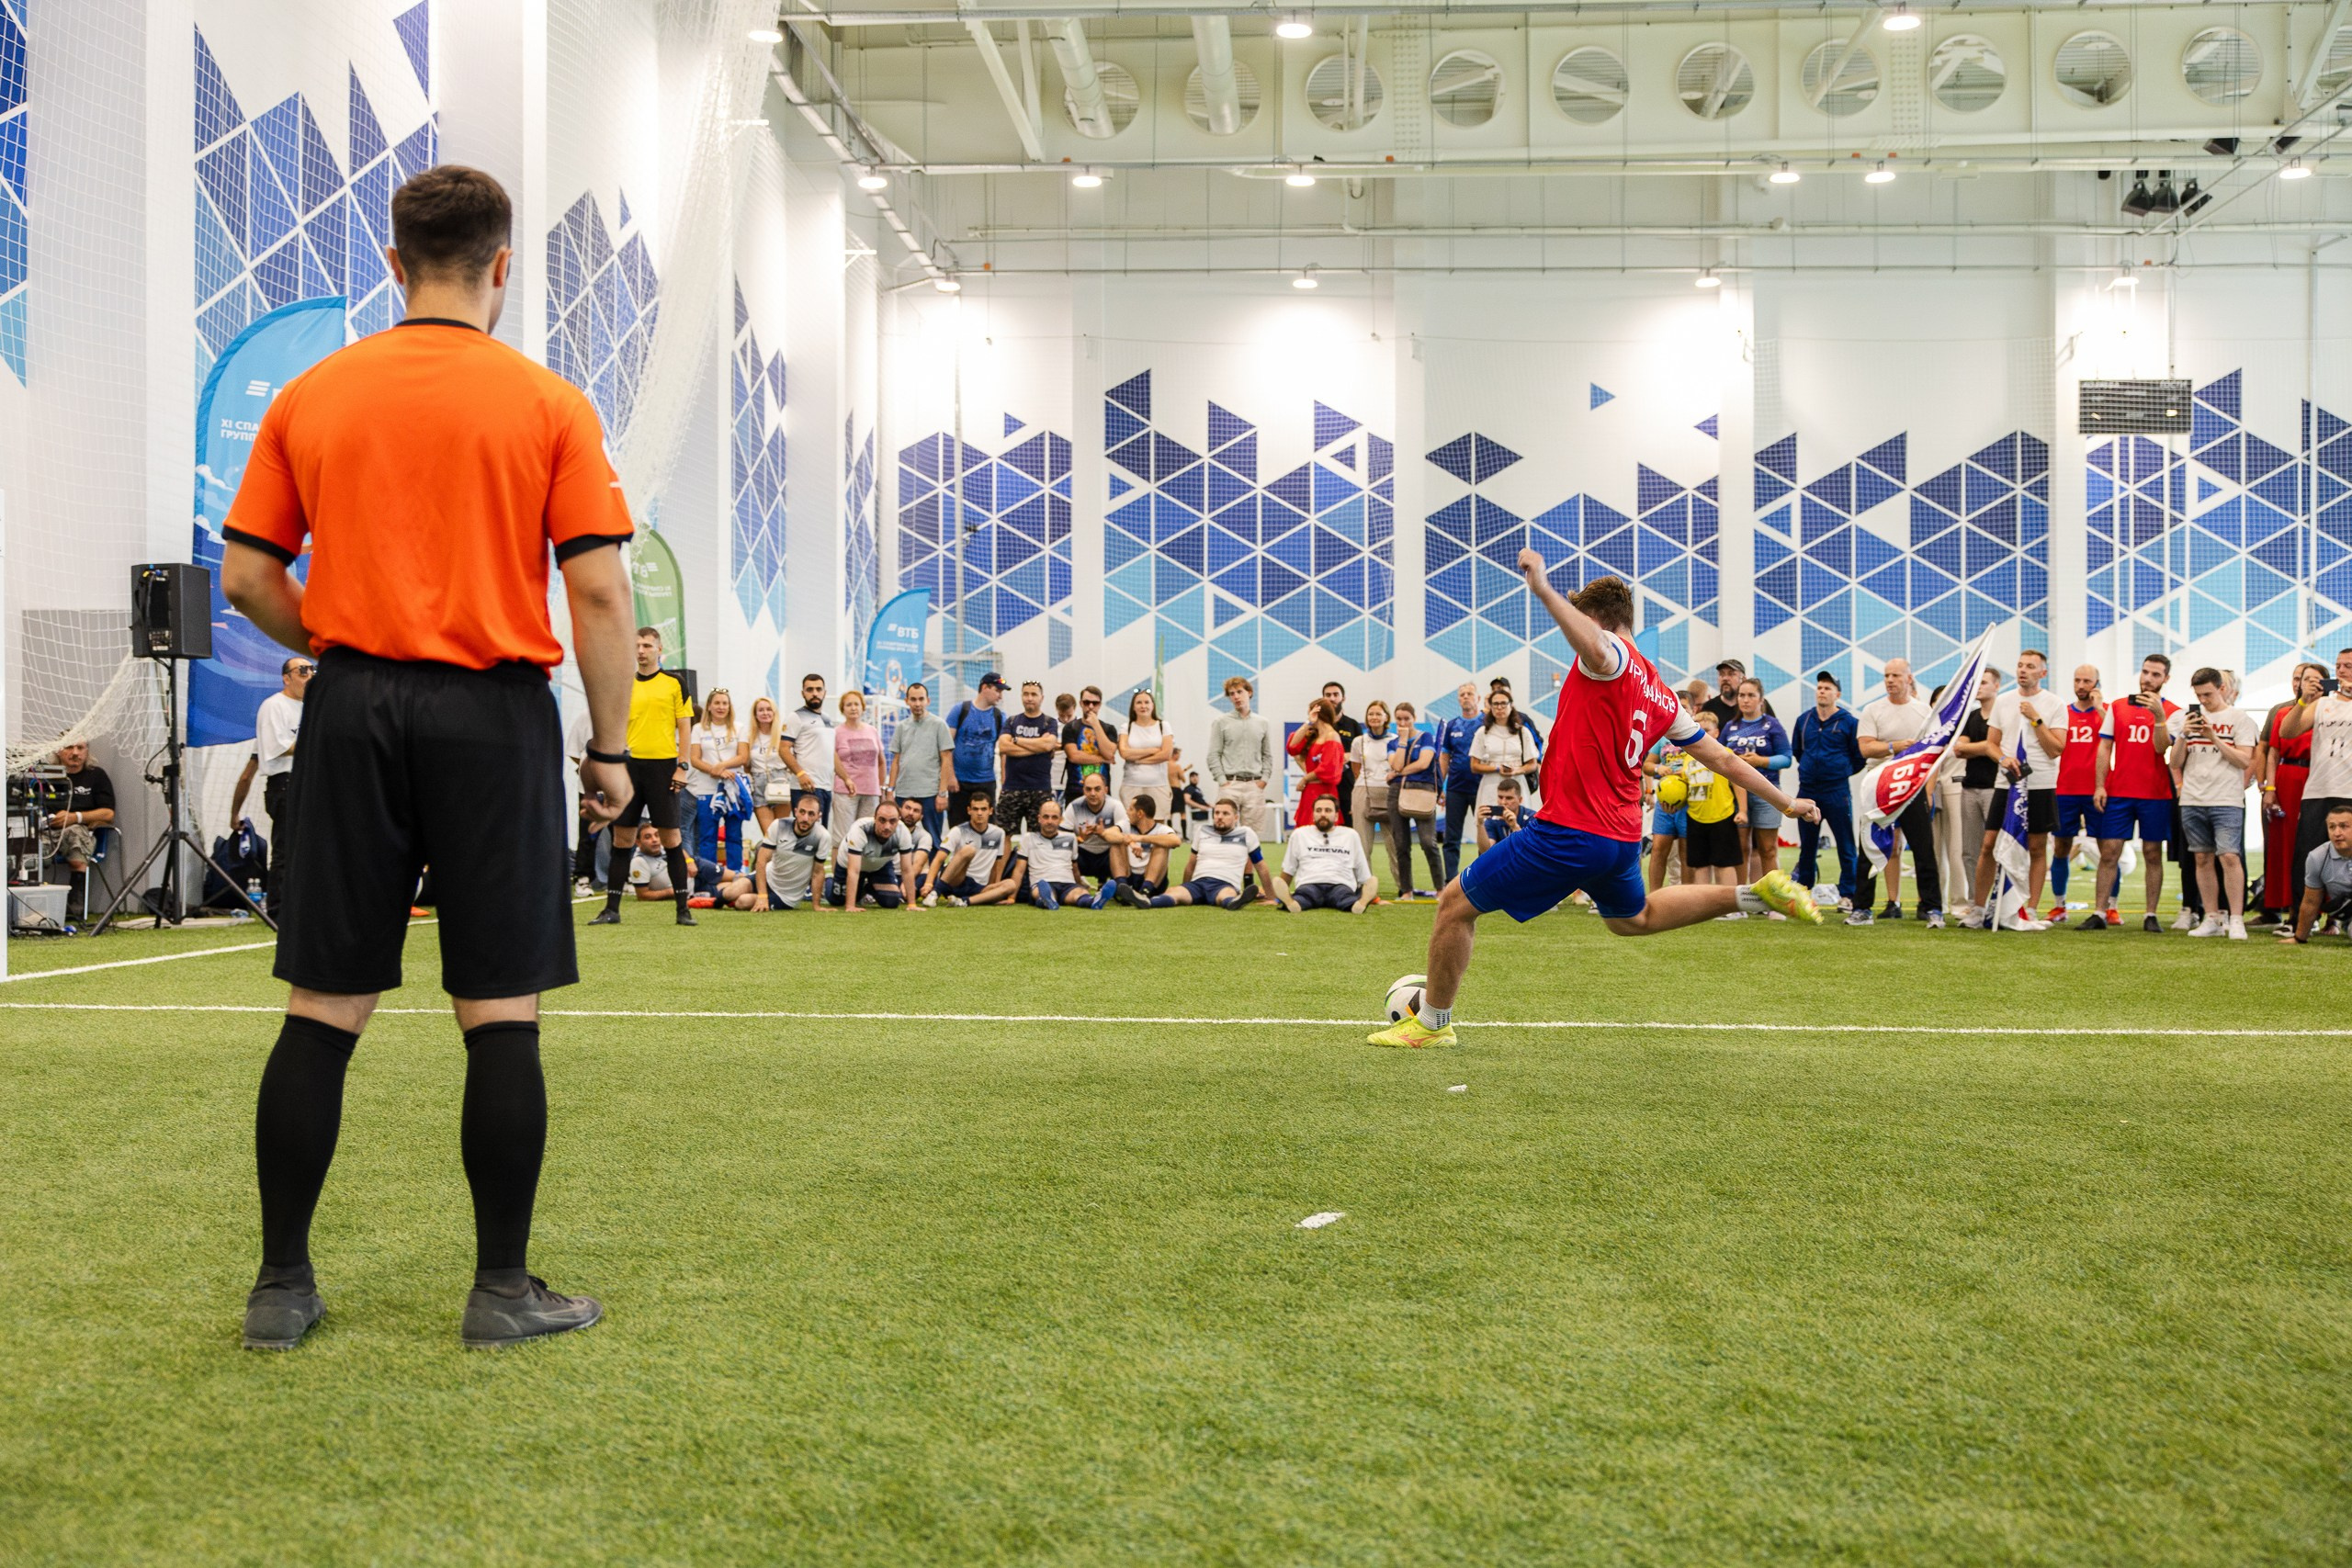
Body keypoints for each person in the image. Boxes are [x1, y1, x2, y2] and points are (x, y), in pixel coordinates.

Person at [218, 164, 636, 1349]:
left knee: (322, 1007)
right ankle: (501, 1290)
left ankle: (280, 1288)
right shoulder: (549, 403)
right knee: (499, 1010)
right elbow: (599, 591)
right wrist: (609, 752)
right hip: (494, 715)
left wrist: (345, 650)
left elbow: (249, 575)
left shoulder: (313, 393)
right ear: (504, 266)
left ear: (393, 265)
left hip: (350, 711)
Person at [1368, 561, 1822, 1051]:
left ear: (1600, 620)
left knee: (1453, 904)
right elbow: (1723, 758)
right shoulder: (1663, 694)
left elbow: (1596, 646)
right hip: (1621, 837)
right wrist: (1786, 800)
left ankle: (1432, 1023)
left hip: (1571, 831)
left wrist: (1542, 589)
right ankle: (1756, 894)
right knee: (1633, 919)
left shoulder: (1614, 659)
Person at [595, 626, 694, 927]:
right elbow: (612, 725)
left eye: (647, 645)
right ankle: (611, 909)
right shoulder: (623, 682)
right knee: (622, 838)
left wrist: (683, 765)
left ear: (659, 649)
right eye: (637, 645)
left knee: (672, 838)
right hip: (629, 768)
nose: (641, 650)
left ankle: (682, 910)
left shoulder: (675, 682)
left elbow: (685, 725)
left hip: (664, 768)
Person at [2083, 653, 2179, 932]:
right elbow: (2104, 748)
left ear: (2166, 679)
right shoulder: (2118, 707)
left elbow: (2162, 748)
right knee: (2109, 851)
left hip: (2155, 792)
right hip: (2120, 791)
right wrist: (2100, 785)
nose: (2149, 679)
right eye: (2146, 672)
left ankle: (2151, 915)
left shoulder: (2173, 711)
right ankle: (2100, 912)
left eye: (2156, 674)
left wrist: (2159, 717)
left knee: (2152, 853)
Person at [1852, 658, 1942, 928]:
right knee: (1868, 847)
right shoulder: (1873, 710)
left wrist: (1927, 789)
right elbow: (1866, 749)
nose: (1890, 680)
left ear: (1909, 678)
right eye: (1887, 676)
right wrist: (1895, 747)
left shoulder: (1924, 712)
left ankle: (1933, 908)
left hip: (1912, 787)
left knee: (1924, 848)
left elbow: (1933, 752)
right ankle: (1862, 909)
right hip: (1878, 788)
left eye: (1896, 676)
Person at [1982, 649, 2068, 928]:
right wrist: (2003, 758)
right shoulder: (2003, 701)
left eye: (2030, 667)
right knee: (1989, 844)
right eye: (2020, 665)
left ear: (2042, 673)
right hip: (2006, 783)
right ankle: (1979, 907)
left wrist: (2036, 719)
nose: (2023, 671)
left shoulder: (2054, 704)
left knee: (2037, 846)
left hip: (2041, 783)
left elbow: (2057, 748)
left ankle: (2029, 909)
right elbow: (1990, 744)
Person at [2169, 665, 2256, 940]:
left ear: (2221, 688)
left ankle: (2237, 918)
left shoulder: (2239, 719)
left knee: (2229, 856)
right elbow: (2174, 762)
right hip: (2193, 798)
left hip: (2227, 798)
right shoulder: (2188, 718)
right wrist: (2184, 734)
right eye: (2199, 695)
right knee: (2202, 857)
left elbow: (2243, 760)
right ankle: (2211, 917)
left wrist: (2214, 737)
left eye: (2208, 694)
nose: (2204, 700)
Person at [2255, 661, 2326, 925]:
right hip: (2286, 781)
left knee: (2318, 846)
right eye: (2300, 678)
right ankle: (2288, 910)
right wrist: (2268, 789)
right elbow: (2272, 752)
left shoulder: (2331, 711)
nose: (2304, 683)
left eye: (2311, 679)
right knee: (2284, 847)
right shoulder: (2284, 712)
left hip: (2318, 779)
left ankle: (2325, 914)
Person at [1114, 795, 1279, 908]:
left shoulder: (1246, 833)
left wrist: (1271, 898)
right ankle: (1145, 901)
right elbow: (1191, 864)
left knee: (1226, 896)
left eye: (1225, 814)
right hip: (1198, 884)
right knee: (1174, 893)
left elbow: (1261, 866)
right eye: (1217, 813)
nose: (1219, 817)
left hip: (1224, 884)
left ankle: (1235, 902)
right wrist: (1186, 884)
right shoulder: (1202, 831)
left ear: (1236, 818)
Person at [243, 656, 311, 913]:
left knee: (312, 848)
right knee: (286, 848)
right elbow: (276, 749)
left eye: (311, 669)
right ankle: (279, 909)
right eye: (302, 670)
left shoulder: (311, 707)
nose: (309, 674)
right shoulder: (273, 706)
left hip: (308, 781)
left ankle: (305, 906)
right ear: (286, 677)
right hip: (286, 783)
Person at [1790, 671, 1862, 911]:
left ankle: (1849, 895)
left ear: (1837, 694)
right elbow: (1798, 752)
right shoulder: (1804, 720)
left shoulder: (1849, 722)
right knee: (1807, 846)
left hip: (1837, 791)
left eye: (1827, 688)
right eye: (1819, 687)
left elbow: (1858, 756)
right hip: (1808, 791)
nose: (1822, 691)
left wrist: (1838, 771)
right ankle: (1804, 892)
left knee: (1845, 845)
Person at [2290, 649, 2352, 908]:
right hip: (2317, 790)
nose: (2341, 670)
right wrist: (2304, 700)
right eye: (2338, 665)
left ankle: (2341, 916)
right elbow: (2288, 731)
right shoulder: (2322, 703)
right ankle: (2301, 917)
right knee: (2307, 854)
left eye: (2348, 665)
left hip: (2348, 790)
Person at [1721, 676, 1792, 886]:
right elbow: (1718, 756)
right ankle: (1743, 897)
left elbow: (1786, 758)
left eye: (1751, 695)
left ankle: (1774, 899)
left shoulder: (1772, 725)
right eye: (1742, 695)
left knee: (1768, 848)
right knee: (1741, 848)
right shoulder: (1730, 727)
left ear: (1761, 699)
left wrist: (1761, 761)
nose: (1745, 700)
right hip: (1736, 795)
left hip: (1767, 792)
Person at [2049, 663, 2107, 920]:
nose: (2081, 686)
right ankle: (2059, 905)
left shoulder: (2106, 713)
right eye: (2077, 680)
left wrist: (2100, 708)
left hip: (2098, 789)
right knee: (2061, 846)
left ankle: (2110, 907)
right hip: (2066, 789)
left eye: (2087, 681)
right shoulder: (2062, 713)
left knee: (2108, 849)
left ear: (2096, 684)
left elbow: (2117, 736)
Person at [1950, 669, 2004, 928]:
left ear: (1996, 685)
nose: (1978, 688)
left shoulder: (2003, 714)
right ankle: (1976, 904)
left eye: (1983, 683)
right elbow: (1959, 749)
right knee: (1970, 850)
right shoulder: (1972, 717)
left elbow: (2002, 750)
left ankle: (1999, 904)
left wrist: (1984, 748)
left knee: (1995, 849)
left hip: (1997, 788)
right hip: (1970, 789)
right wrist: (1987, 747)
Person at [40, 741, 118, 916]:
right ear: (59, 750)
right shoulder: (45, 776)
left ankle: (75, 904)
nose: (75, 753)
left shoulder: (96, 775)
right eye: (69, 747)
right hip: (46, 830)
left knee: (76, 836)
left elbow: (108, 814)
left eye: (80, 748)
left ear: (87, 752)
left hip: (78, 829)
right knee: (27, 847)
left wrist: (75, 817)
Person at [685, 688, 749, 897]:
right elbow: (694, 759)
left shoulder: (739, 728)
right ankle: (707, 882)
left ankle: (737, 878)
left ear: (729, 707)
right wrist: (714, 771)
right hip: (706, 789)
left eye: (725, 703)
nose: (721, 707)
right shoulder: (698, 729)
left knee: (733, 835)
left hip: (732, 789)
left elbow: (742, 757)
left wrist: (721, 767)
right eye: (717, 703)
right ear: (709, 706)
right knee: (707, 836)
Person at [718, 794, 827, 911]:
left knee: (742, 901)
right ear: (795, 812)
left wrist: (816, 905)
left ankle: (730, 899)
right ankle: (709, 900)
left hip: (786, 896)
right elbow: (761, 861)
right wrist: (762, 896)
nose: (805, 818)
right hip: (769, 876)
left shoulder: (822, 836)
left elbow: (818, 872)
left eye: (811, 814)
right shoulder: (779, 825)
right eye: (802, 812)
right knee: (730, 892)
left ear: (818, 817)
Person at [1679, 711, 1746, 898]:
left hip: (1722, 815)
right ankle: (1704, 904)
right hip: (1696, 817)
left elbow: (1739, 783)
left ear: (1716, 733)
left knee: (1724, 863)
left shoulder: (1725, 754)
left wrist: (1744, 811)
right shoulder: (1688, 758)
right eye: (1698, 730)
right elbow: (1686, 785)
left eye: (1706, 730)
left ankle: (1731, 905)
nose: (1702, 734)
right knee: (1700, 864)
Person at [1280, 794, 1376, 912]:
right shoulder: (1299, 834)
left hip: (1341, 884)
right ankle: (1292, 904)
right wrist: (1277, 896)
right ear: (1313, 815)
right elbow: (1289, 869)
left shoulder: (1350, 835)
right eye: (1318, 810)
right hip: (1310, 882)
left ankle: (1359, 904)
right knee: (1303, 897)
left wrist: (1371, 892)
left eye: (1328, 810)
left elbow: (1362, 869)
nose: (1323, 814)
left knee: (1345, 898)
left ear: (1336, 816)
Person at [1385, 700, 1442, 899]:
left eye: (1406, 719)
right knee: (1401, 844)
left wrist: (1398, 773)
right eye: (1399, 719)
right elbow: (1396, 764)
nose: (1403, 723)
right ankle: (1407, 890)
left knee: (1429, 843)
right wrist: (1402, 742)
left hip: (1422, 792)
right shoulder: (1392, 743)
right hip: (1396, 794)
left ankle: (1440, 889)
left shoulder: (1426, 737)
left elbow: (1424, 763)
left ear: (1414, 718)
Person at [1207, 676, 1275, 840]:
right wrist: (1222, 781)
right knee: (1222, 832)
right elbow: (1213, 754)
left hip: (1255, 785)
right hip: (1230, 784)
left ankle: (1248, 867)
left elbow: (1267, 755)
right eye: (1231, 694)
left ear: (1249, 693)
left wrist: (1263, 780)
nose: (1236, 696)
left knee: (1252, 837)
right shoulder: (1220, 722)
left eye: (1239, 692)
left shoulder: (1263, 723)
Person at [888, 680, 953, 844]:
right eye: (913, 699)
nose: (917, 703)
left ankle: (933, 871)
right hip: (904, 793)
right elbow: (896, 761)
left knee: (933, 840)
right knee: (899, 840)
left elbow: (946, 760)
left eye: (921, 699)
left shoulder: (939, 725)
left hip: (930, 793)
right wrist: (890, 791)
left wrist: (942, 793)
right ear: (906, 701)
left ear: (928, 701)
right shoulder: (901, 727)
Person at [1008, 796, 1102, 910]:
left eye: (1054, 817)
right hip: (1042, 883)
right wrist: (1011, 897)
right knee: (1041, 892)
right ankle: (1048, 900)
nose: (1050, 821)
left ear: (1060, 820)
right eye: (1046, 817)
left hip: (1067, 883)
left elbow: (1075, 868)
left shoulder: (1070, 838)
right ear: (1039, 819)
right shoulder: (1029, 838)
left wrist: (1079, 886)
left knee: (1079, 894)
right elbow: (1019, 870)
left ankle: (1093, 901)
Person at [2279, 802, 2352, 942]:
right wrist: (2299, 938)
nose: (2337, 833)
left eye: (2344, 826)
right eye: (2332, 827)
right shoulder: (2317, 857)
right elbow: (2311, 902)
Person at [824, 797, 912, 911]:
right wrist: (851, 906)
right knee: (837, 901)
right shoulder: (861, 829)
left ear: (898, 820)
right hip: (850, 866)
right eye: (882, 820)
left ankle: (867, 887)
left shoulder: (902, 831)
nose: (887, 826)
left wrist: (912, 904)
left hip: (879, 866)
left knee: (892, 901)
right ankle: (829, 880)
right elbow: (853, 870)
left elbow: (907, 869)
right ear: (874, 818)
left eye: (892, 821)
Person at [996, 681, 1060, 833]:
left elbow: (1048, 745)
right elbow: (1004, 747)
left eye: (1033, 694)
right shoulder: (1011, 721)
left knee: (1039, 835)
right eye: (1026, 694)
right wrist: (1038, 746)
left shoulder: (1049, 722)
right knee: (1004, 834)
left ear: (1041, 698)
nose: (1029, 698)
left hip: (1040, 788)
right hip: (1012, 788)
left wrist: (1017, 740)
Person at [1436, 682, 1484, 883]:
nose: (1466, 697)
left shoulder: (1486, 722)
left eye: (1470, 693)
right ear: (1458, 699)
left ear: (1478, 698)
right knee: (1451, 839)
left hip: (1482, 788)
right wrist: (1440, 786)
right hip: (1456, 788)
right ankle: (1450, 883)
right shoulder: (1452, 725)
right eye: (1462, 694)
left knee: (1486, 836)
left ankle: (1484, 880)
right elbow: (1445, 757)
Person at [934, 794, 1020, 906]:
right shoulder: (958, 830)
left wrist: (994, 889)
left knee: (1011, 885)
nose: (979, 813)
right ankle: (936, 893)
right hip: (955, 881)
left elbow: (996, 866)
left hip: (978, 887)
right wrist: (929, 885)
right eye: (975, 809)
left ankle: (964, 902)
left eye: (983, 809)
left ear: (990, 811)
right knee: (968, 851)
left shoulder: (998, 833)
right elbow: (939, 858)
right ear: (969, 811)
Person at [1469, 688, 1538, 819]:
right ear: (1490, 707)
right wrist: (1496, 768)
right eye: (1495, 704)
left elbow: (1532, 764)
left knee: (1519, 824)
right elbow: (1474, 766)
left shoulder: (1522, 732)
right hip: (1490, 784)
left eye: (1503, 703)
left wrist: (1516, 770)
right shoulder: (1482, 732)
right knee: (1489, 823)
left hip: (1517, 782)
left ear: (1511, 705)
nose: (1499, 707)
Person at [1104, 793, 1182, 900]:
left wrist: (1139, 838)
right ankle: (1122, 889)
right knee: (1116, 842)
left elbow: (1176, 841)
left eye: (1131, 809)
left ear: (1140, 813)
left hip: (1153, 881)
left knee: (1161, 845)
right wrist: (1128, 841)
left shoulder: (1162, 829)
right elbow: (1107, 834)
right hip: (1129, 878)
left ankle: (1145, 892)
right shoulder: (1126, 825)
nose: (1127, 812)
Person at [830, 689, 884, 845]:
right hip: (845, 792)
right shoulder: (837, 732)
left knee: (866, 836)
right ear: (842, 709)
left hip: (871, 791)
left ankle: (862, 870)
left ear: (862, 707)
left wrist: (881, 788)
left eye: (856, 704)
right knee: (842, 837)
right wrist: (846, 779)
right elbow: (833, 761)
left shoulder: (872, 730)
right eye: (849, 705)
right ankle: (839, 869)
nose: (853, 708)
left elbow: (881, 762)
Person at [1349, 700, 1396, 869]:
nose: (1374, 717)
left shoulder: (1395, 740)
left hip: (1390, 792)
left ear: (1386, 717)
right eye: (1371, 714)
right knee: (1362, 843)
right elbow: (1356, 770)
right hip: (1364, 790)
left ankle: (1404, 888)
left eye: (1378, 714)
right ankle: (1364, 886)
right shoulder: (1358, 741)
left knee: (1395, 844)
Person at [783, 671, 835, 823]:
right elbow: (783, 749)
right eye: (810, 690)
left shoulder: (827, 718)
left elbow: (832, 752)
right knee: (804, 836)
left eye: (819, 689)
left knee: (820, 836)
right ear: (802, 693)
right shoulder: (795, 717)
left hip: (825, 786)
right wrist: (801, 774)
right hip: (806, 787)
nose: (815, 693)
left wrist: (846, 778)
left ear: (824, 693)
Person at [1064, 770, 1129, 891]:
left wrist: (1103, 833)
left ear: (1106, 790)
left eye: (1097, 789)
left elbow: (1124, 837)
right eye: (1088, 789)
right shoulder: (1074, 807)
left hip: (1108, 857)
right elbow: (1061, 839)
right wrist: (1080, 839)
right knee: (1064, 851)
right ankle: (1077, 887)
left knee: (1120, 844)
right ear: (1083, 790)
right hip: (1082, 856)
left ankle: (1121, 887)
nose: (1092, 793)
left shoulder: (1115, 806)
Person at [1643, 733, 1691, 893]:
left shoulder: (1694, 734)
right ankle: (1654, 896)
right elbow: (1647, 765)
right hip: (1664, 802)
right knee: (1658, 849)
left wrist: (1686, 772)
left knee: (1686, 853)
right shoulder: (1662, 738)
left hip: (1690, 801)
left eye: (1685, 706)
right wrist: (1659, 768)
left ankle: (1687, 899)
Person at [1288, 698, 1346, 827]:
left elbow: (1328, 768)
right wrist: (1308, 723)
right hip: (1310, 791)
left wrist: (1305, 779)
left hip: (1324, 791)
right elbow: (1292, 747)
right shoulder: (1315, 735)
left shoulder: (1332, 736)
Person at [1060, 684, 1119, 803]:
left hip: (1101, 791)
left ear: (1100, 705)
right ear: (1081, 703)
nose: (1090, 707)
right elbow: (1074, 756)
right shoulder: (1070, 727)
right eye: (1087, 703)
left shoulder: (1109, 729)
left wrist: (1096, 725)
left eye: (1095, 703)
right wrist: (1103, 759)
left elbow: (1108, 753)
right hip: (1076, 790)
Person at [746, 696, 790, 836]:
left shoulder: (783, 736)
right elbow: (746, 764)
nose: (765, 713)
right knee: (769, 836)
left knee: (782, 834)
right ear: (755, 714)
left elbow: (791, 759)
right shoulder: (749, 737)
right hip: (759, 784)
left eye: (769, 709)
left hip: (780, 783)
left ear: (774, 712)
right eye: (761, 710)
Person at [1322, 681, 1364, 825]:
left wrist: (1350, 756)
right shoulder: (1317, 725)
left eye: (1336, 695)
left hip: (1347, 785)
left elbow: (1363, 755)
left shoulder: (1353, 725)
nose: (1332, 698)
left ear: (1343, 698)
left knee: (1349, 826)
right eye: (1328, 695)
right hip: (1323, 783)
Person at [1476, 774, 1533, 850]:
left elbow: (1530, 850)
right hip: (1502, 860)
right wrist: (1480, 824)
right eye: (1500, 797)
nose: (1503, 802)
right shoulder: (1492, 819)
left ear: (1520, 800)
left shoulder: (1531, 818)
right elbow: (1485, 851)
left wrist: (1514, 826)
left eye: (1509, 798)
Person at [624, 824, 680, 900]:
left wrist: (689, 861)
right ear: (638, 843)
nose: (654, 840)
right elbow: (642, 896)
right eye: (647, 837)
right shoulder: (639, 861)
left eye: (657, 835)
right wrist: (671, 892)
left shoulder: (665, 849)